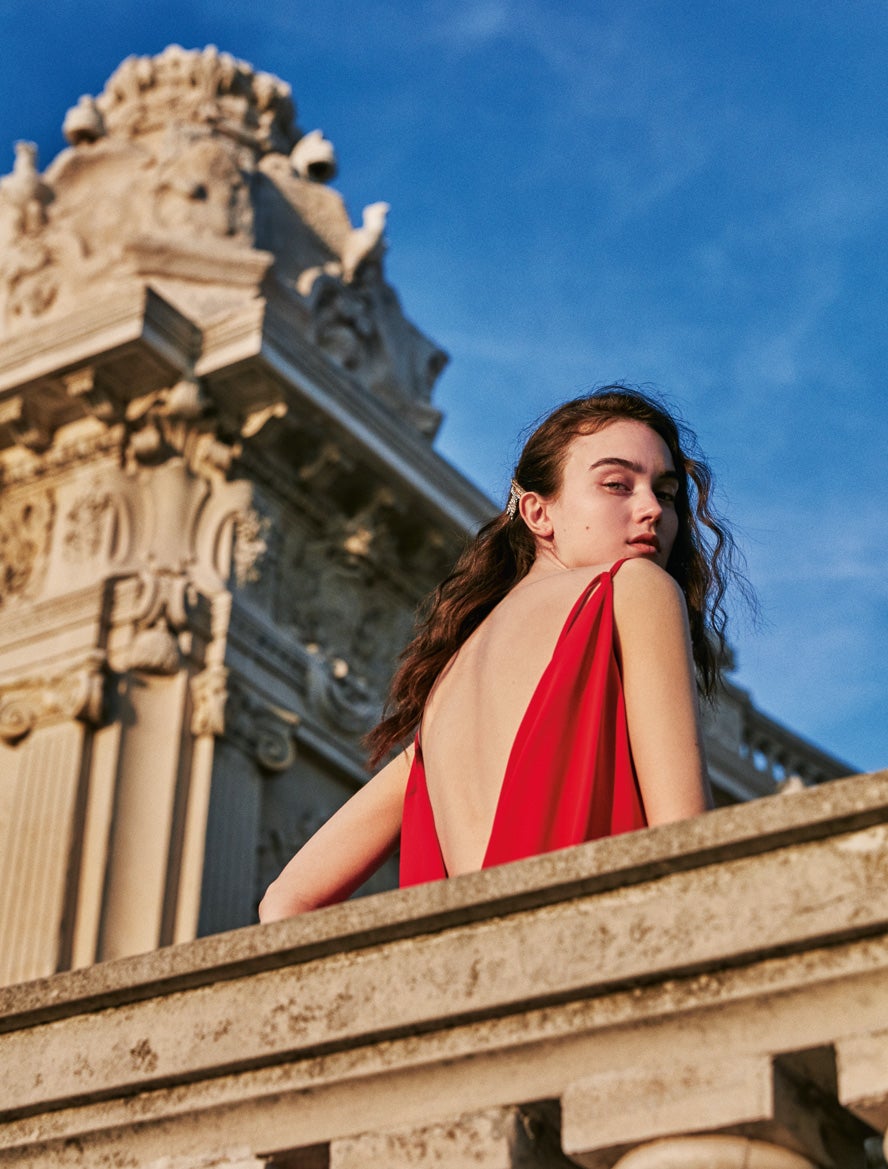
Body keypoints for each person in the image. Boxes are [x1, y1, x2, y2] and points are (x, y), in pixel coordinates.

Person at [259, 385, 743, 921]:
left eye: (668, 492)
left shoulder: (443, 691)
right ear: (538, 512)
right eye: (616, 485)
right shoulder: (634, 589)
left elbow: (286, 900)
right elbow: (688, 841)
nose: (652, 509)